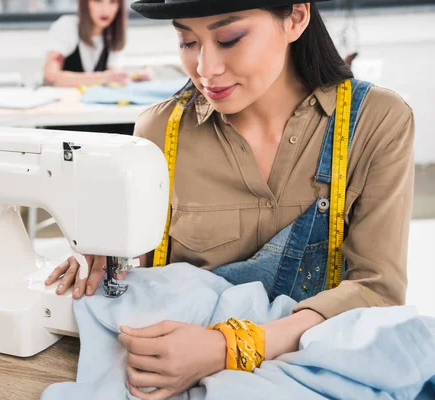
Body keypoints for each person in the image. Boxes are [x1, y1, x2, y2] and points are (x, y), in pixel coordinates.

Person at [45, 0, 415, 398]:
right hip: (178, 372)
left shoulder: (375, 121)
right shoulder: (160, 130)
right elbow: (145, 274)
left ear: (296, 17)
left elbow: (378, 292)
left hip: (314, 368)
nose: (206, 69)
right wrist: (106, 256)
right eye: (187, 41)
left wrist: (230, 347)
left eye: (229, 39)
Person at [43, 0, 151, 87]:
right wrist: (103, 78)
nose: (105, 10)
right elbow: (50, 77)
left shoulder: (113, 36)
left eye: (112, 2)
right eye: (98, 1)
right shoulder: (66, 26)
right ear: (85, 3)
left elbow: (113, 77)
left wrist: (135, 78)